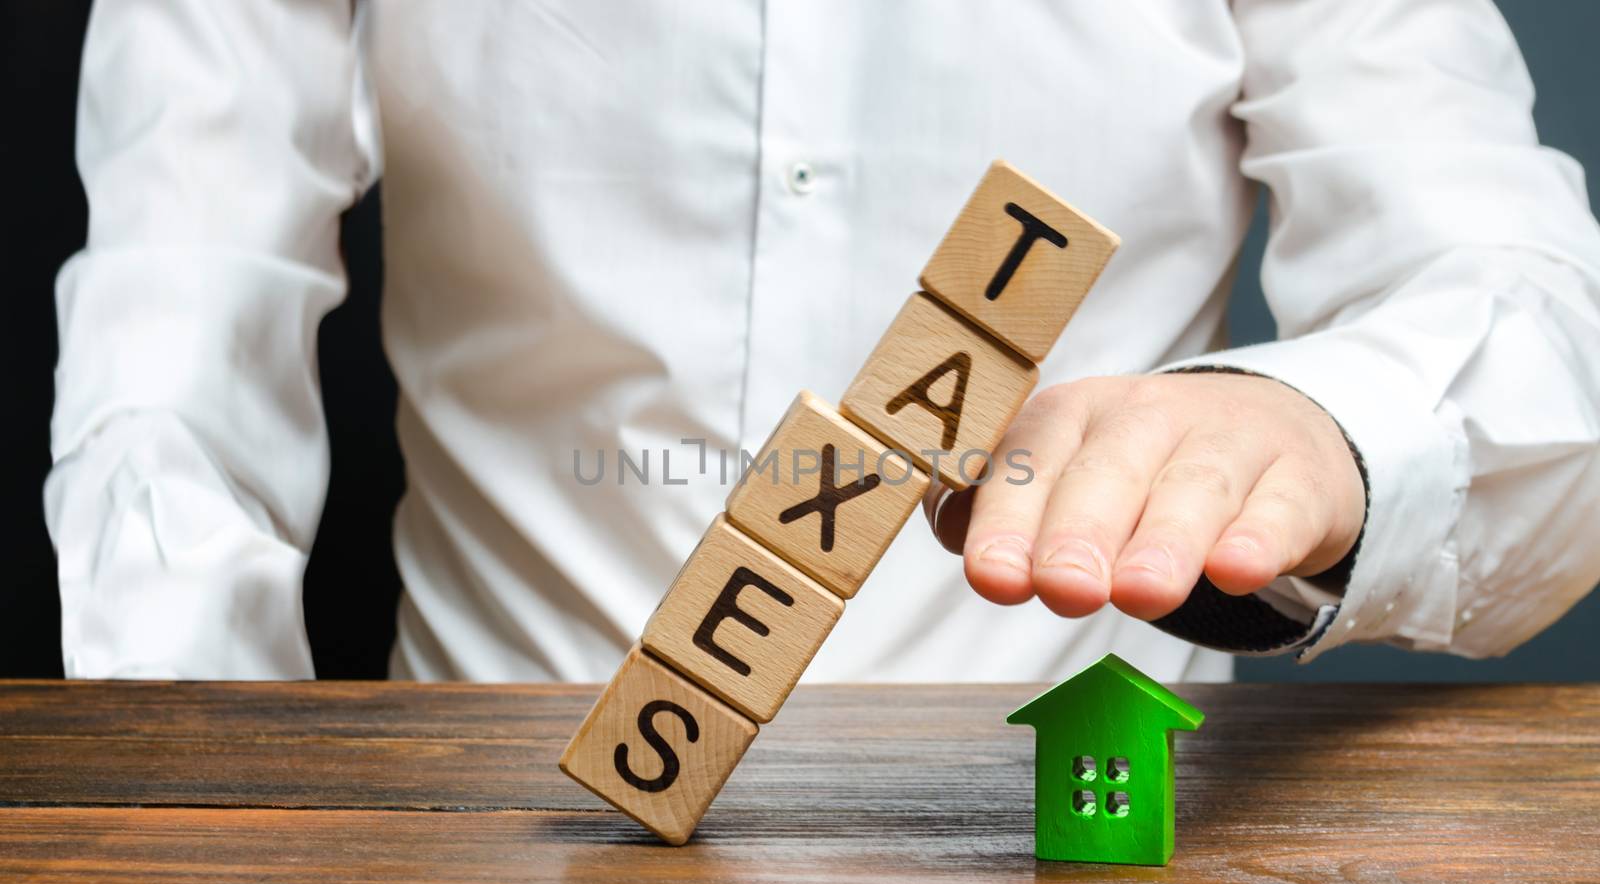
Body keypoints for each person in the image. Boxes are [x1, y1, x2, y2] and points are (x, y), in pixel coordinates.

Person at [47, 0, 1600, 683]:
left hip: (1080, 841)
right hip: (490, 844)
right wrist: (202, 831)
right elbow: (174, 343)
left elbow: (1531, 318)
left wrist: (1318, 429)